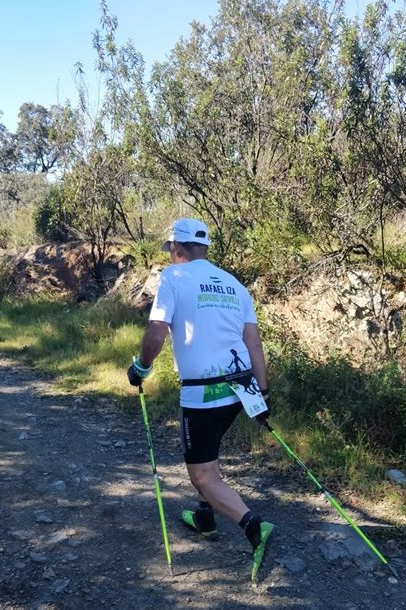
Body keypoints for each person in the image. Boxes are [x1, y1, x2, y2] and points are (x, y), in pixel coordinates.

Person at [127, 217, 274, 580]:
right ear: (205, 247)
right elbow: (253, 342)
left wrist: (140, 368)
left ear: (177, 248)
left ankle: (254, 526)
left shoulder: (173, 278)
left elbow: (157, 332)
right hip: (241, 387)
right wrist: (263, 391)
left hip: (203, 392)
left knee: (203, 475)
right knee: (210, 449)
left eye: (171, 250)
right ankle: (205, 517)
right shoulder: (235, 284)